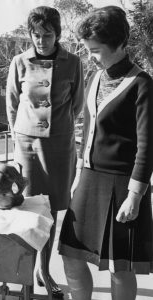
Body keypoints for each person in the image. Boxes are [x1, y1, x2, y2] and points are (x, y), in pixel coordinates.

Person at [58, 6, 153, 300]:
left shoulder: (143, 85)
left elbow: (147, 146)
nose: (90, 56)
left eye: (96, 50)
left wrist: (135, 196)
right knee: (71, 254)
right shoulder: (95, 78)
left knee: (118, 267)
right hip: (88, 179)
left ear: (121, 45)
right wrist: (78, 176)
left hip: (122, 186)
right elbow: (88, 131)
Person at [6, 5, 84, 297]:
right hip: (27, 144)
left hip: (59, 144)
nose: (41, 40)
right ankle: (27, 269)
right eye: (36, 35)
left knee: (49, 211)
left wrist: (58, 126)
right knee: (28, 209)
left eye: (47, 35)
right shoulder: (18, 61)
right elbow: (12, 104)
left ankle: (45, 269)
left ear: (58, 34)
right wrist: (18, 140)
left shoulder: (73, 62)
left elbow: (77, 105)